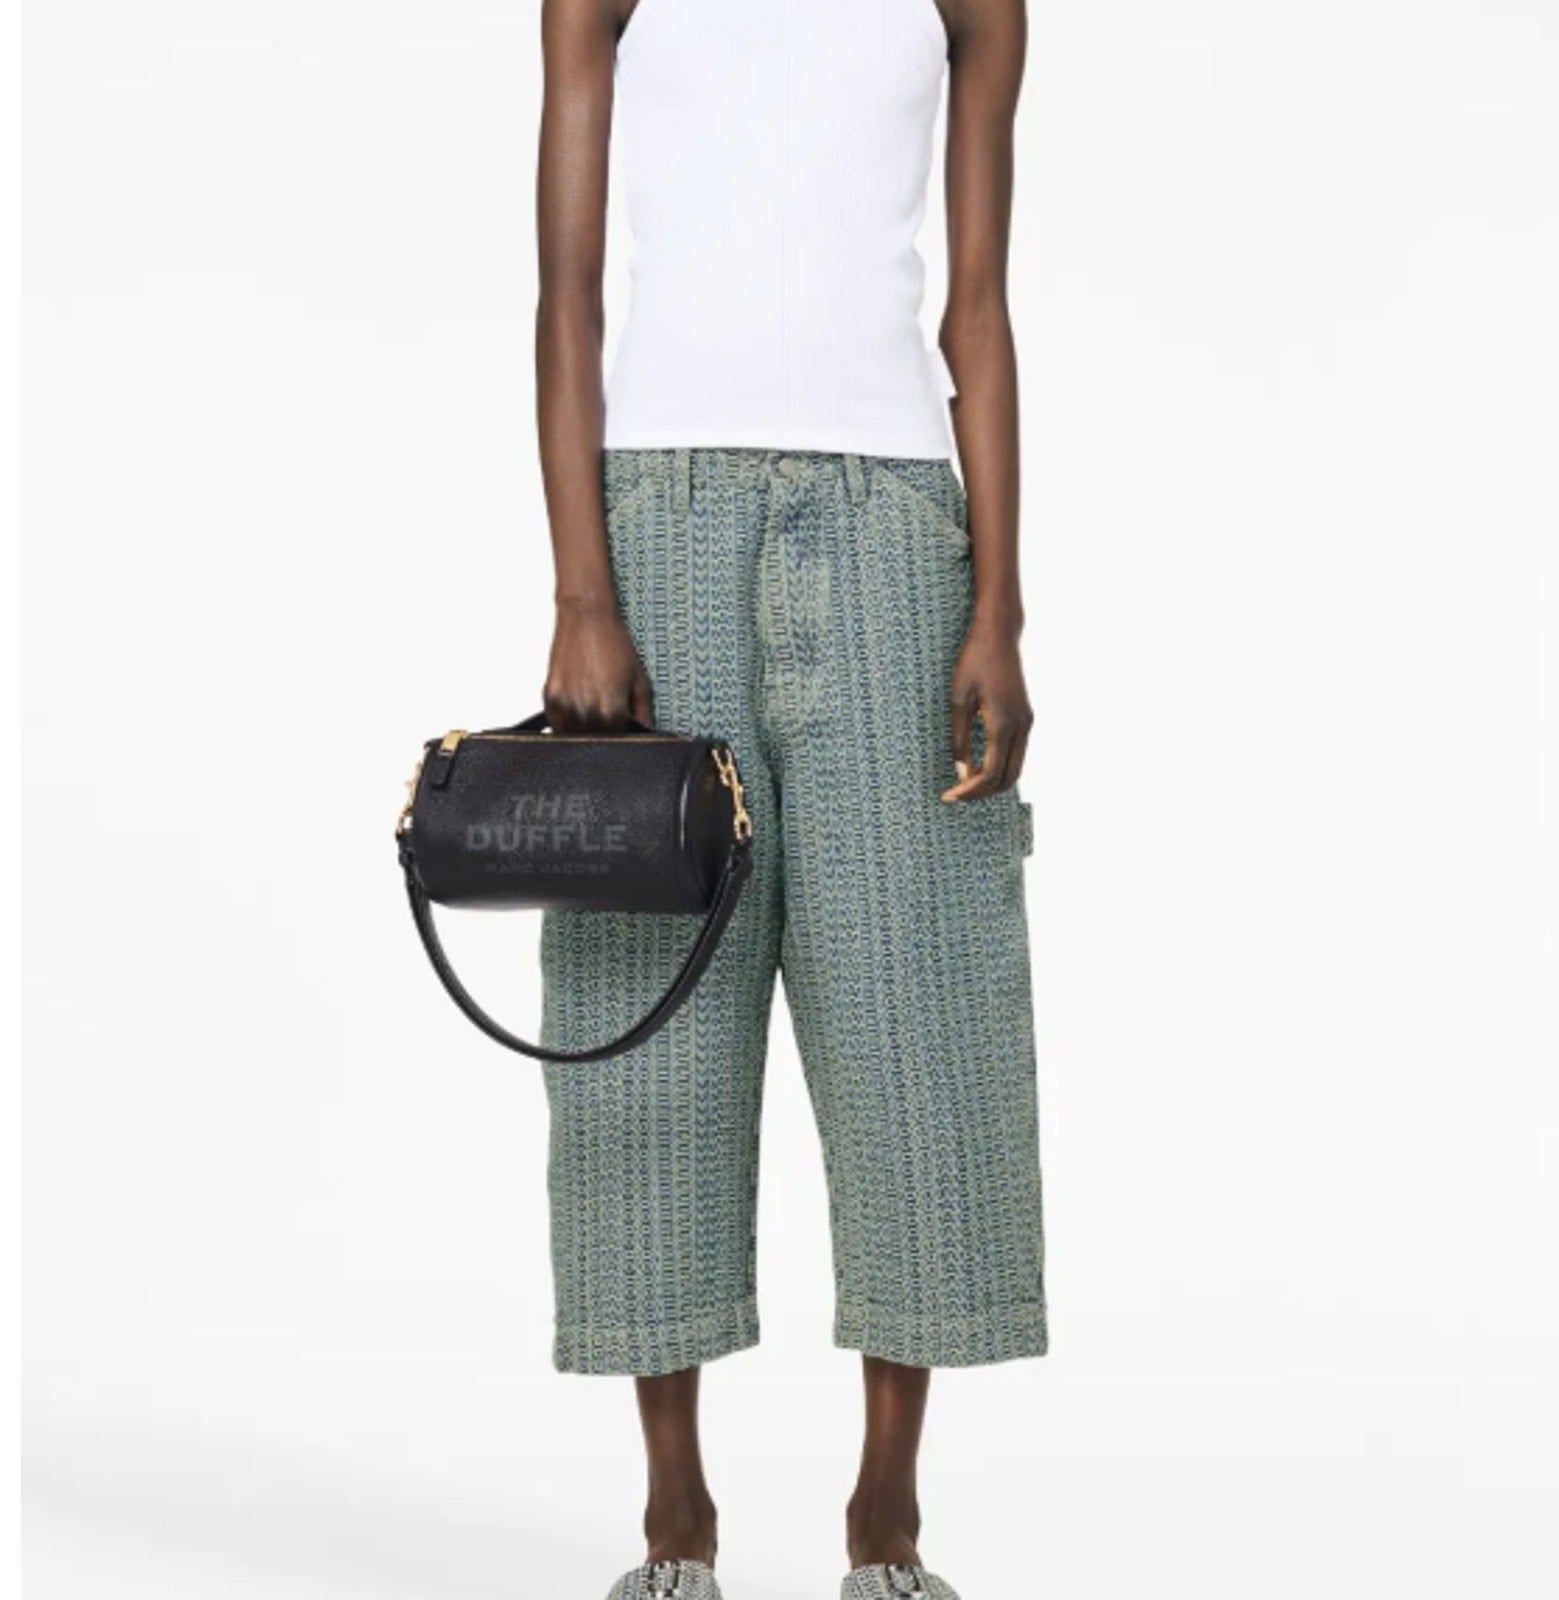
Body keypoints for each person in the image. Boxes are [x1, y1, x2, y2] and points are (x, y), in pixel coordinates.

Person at [533, 2, 1044, 1596]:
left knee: (919, 1011)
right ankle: (673, 1518)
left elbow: (977, 308)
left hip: (895, 521)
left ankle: (886, 1518)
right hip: (658, 520)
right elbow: (565, 294)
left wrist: (999, 607)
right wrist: (583, 591)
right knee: (647, 1023)